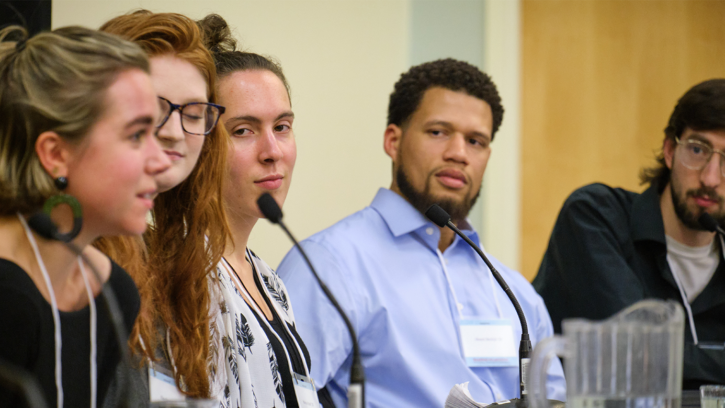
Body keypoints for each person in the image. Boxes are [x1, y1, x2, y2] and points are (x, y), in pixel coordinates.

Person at [277, 58, 566, 407]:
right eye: (438, 132)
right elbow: (277, 397)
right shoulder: (327, 265)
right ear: (393, 141)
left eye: (476, 141)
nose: (458, 153)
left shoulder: (517, 296)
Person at [0, 25, 170, 407]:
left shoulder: (109, 291)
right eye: (135, 135)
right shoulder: (7, 296)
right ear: (56, 154)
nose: (160, 161)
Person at [533, 79, 725, 389]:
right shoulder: (595, 217)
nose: (711, 177)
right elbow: (637, 354)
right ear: (669, 151)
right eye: (697, 149)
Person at [98, 11, 230, 404]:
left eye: (193, 114)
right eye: (155, 109)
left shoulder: (177, 263)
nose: (174, 132)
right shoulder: (68, 254)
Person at [197, 14, 320, 408]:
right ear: (198, 144)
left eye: (282, 127)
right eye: (243, 131)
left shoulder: (270, 281)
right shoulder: (185, 273)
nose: (273, 152)